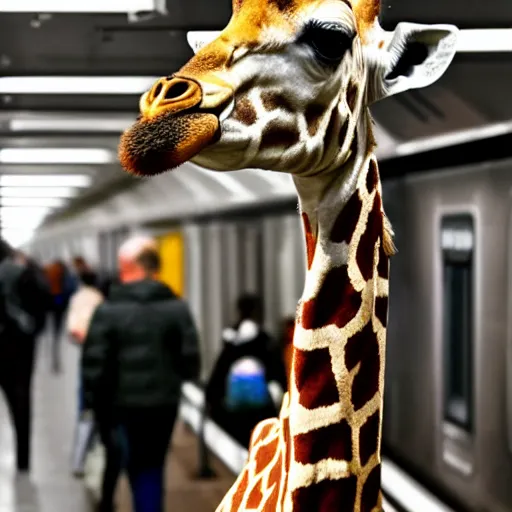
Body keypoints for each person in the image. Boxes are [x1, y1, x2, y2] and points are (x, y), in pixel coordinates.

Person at [82, 234, 200, 512]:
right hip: (162, 405)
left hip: (120, 408)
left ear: (127, 267)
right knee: (153, 466)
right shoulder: (177, 309)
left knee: (133, 465)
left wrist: (92, 405)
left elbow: (94, 367)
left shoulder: (108, 312)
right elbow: (191, 363)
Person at [205, 294, 287, 448]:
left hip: (232, 412)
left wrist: (211, 400)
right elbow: (277, 372)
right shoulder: (266, 341)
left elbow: (218, 375)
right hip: (262, 410)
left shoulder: (231, 341)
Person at [0, 244, 50, 473]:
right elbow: (42, 306)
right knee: (21, 401)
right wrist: (30, 334)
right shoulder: (23, 274)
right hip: (18, 348)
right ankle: (23, 458)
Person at [66, 270, 104, 477]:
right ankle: (95, 451)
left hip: (88, 356)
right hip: (103, 357)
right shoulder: (100, 299)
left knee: (85, 408)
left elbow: (72, 329)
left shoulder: (77, 298)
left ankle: (78, 460)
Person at [45, 259, 76, 373]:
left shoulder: (48, 271)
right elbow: (70, 287)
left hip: (49, 300)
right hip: (58, 299)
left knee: (52, 327)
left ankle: (53, 358)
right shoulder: (63, 272)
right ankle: (56, 360)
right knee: (58, 327)